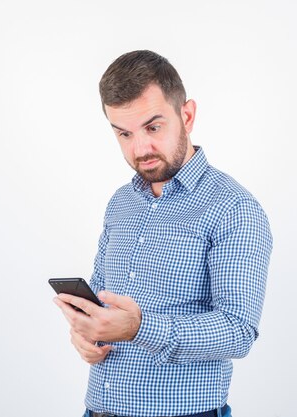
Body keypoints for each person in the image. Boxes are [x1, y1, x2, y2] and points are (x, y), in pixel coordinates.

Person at [53, 50, 272, 417]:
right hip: (98, 410)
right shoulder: (121, 202)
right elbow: (99, 299)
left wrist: (140, 328)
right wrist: (84, 334)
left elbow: (238, 331)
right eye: (124, 133)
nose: (140, 149)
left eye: (153, 128)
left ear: (187, 115)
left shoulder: (233, 207)